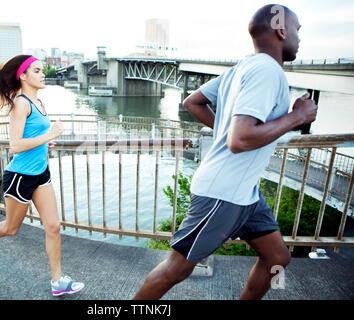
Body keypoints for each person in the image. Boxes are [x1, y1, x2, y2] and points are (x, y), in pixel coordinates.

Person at [133, 4, 318, 300]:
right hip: (223, 192)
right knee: (178, 268)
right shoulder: (268, 71)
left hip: (245, 192)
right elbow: (240, 139)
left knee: (277, 257)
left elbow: (192, 102)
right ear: (282, 30)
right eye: (297, 29)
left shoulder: (243, 67)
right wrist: (297, 117)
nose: (299, 37)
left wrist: (226, 131)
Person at [0, 55, 84, 297]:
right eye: (37, 70)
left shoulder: (39, 102)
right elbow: (15, 145)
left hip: (40, 174)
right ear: (23, 76)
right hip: (20, 177)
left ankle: (57, 281)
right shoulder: (21, 104)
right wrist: (48, 135)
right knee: (10, 228)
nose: (42, 74)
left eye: (42, 70)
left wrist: (46, 144)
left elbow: (32, 137)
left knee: (53, 226)